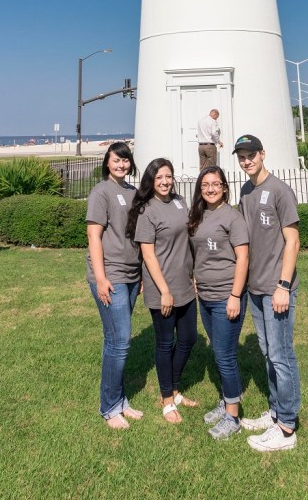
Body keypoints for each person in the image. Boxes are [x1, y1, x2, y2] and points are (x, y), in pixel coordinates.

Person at [235, 134, 301, 452]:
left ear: (263, 154)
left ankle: (287, 428)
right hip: (255, 287)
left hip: (276, 288)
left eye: (251, 155)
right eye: (241, 157)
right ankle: (276, 412)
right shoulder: (246, 191)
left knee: (281, 355)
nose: (247, 161)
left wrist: (283, 286)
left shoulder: (280, 191)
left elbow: (293, 240)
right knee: (267, 354)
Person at [126, 158, 198, 423]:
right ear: (150, 181)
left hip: (185, 283)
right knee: (165, 343)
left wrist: (193, 275)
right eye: (159, 178)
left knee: (189, 338)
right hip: (162, 288)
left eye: (168, 176)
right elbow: (148, 254)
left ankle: (174, 387)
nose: (165, 182)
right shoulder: (147, 211)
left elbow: (188, 240)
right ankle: (167, 399)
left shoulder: (180, 202)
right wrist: (164, 291)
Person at [188, 165, 249, 441]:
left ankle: (233, 416)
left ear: (224, 187)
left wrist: (235, 295)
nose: (210, 189)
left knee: (225, 356)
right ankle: (227, 400)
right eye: (205, 185)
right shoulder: (198, 215)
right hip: (206, 296)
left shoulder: (232, 218)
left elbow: (243, 258)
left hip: (227, 295)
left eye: (215, 184)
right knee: (219, 352)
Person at [86, 142, 143, 430]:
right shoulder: (101, 192)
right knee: (119, 341)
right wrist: (101, 278)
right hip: (111, 276)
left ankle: (120, 400)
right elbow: (94, 236)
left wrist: (141, 274)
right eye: (116, 160)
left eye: (125, 160)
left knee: (117, 341)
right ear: (107, 163)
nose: (121, 165)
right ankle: (109, 406)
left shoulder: (133, 192)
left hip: (131, 274)